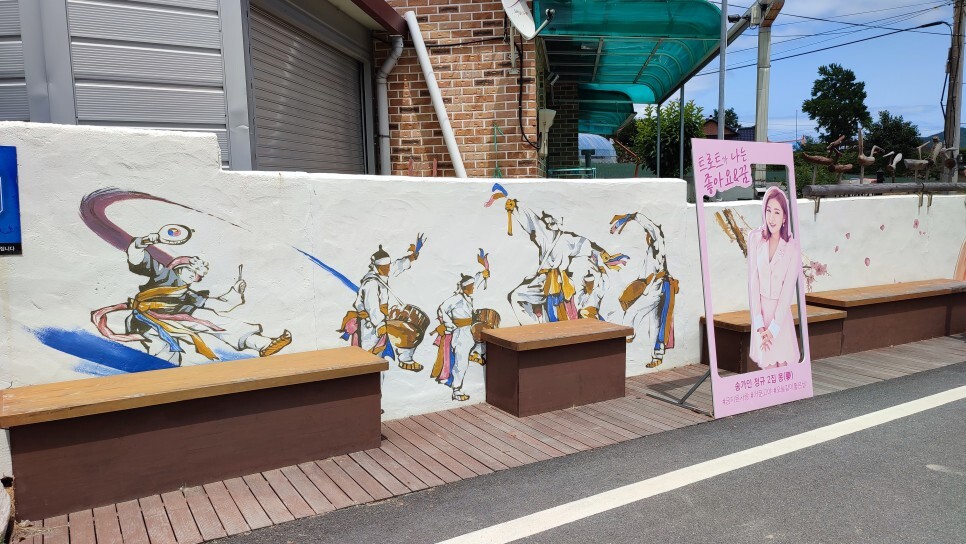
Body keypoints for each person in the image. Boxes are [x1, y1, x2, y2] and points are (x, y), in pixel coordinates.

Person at [92, 232, 292, 364]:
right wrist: (145, 241)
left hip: (176, 320)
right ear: (179, 267)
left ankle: (262, 344)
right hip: (146, 321)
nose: (193, 277)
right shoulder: (162, 274)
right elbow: (136, 257)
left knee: (215, 321)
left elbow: (220, 304)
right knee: (166, 351)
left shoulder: (188, 294)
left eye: (196, 276)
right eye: (191, 271)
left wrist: (236, 291)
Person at [503, 198, 624, 323]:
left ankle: (535, 326)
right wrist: (603, 254)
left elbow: (531, 219)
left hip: (549, 283)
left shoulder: (549, 235)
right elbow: (587, 246)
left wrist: (516, 207)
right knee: (526, 301)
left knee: (516, 297)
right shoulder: (566, 238)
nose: (545, 220)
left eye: (547, 217)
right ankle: (537, 326)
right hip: (553, 283)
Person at [338, 236, 427, 371]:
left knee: (406, 334)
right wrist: (380, 324)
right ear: (377, 267)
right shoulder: (371, 284)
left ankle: (405, 359)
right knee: (371, 355)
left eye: (388, 266)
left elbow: (397, 266)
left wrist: (411, 258)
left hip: (380, 319)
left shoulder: (382, 274)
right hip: (370, 324)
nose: (388, 269)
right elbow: (372, 307)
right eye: (385, 267)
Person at [610, 213, 678, 368]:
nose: (647, 236)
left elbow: (651, 226)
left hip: (658, 288)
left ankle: (628, 335)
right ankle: (657, 356)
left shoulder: (658, 244)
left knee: (633, 312)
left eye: (648, 233)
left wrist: (629, 218)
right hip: (654, 289)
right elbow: (645, 274)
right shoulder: (651, 251)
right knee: (654, 323)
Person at [748, 187, 802, 369]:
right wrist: (759, 324)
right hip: (761, 316)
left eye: (777, 212)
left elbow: (787, 291)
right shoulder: (756, 240)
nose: (771, 218)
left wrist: (773, 329)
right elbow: (753, 283)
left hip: (780, 318)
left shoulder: (792, 247)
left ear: (784, 217)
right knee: (768, 369)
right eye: (768, 210)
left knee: (783, 368)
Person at [432, 262, 490, 401]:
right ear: (465, 287)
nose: (473, 288)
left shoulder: (468, 296)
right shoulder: (456, 299)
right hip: (459, 333)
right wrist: (449, 324)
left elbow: (476, 280)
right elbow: (441, 309)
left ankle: (474, 353)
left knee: (482, 345)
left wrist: (483, 273)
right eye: (471, 286)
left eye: (473, 286)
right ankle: (456, 390)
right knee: (461, 362)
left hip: (469, 329)